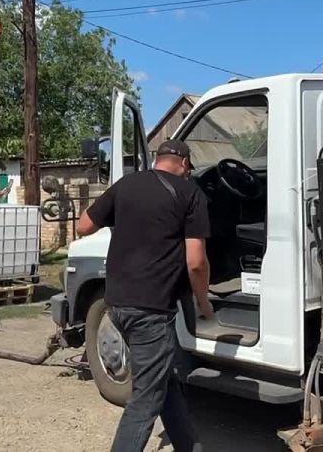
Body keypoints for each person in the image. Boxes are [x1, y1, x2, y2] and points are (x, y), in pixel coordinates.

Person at [77, 139, 214, 452]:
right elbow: (196, 263)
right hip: (151, 310)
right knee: (145, 401)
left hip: (117, 305)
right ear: (183, 163)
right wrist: (203, 302)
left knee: (164, 382)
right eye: (189, 168)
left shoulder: (126, 185)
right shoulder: (189, 193)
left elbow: (84, 226)